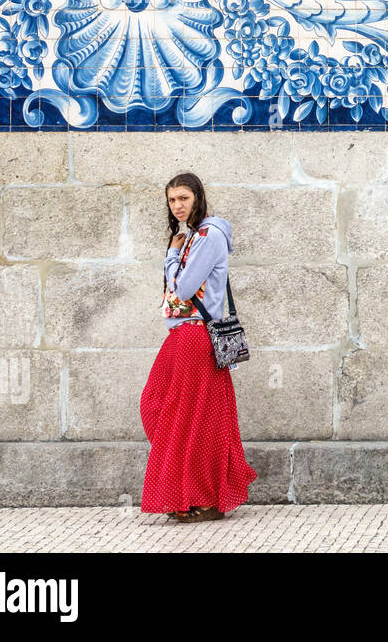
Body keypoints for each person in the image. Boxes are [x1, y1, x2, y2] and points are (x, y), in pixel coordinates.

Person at [139, 172, 257, 522]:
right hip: (183, 334)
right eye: (172, 200)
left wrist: (171, 257)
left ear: (198, 198)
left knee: (189, 417)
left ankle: (200, 498)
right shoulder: (192, 236)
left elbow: (185, 288)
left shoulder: (208, 236)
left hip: (195, 334)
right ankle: (196, 492)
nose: (177, 206)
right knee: (161, 406)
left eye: (184, 199)